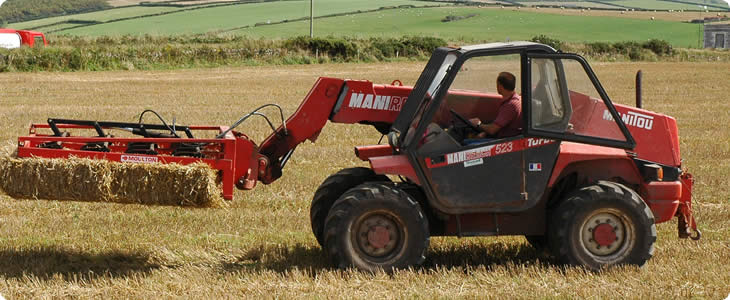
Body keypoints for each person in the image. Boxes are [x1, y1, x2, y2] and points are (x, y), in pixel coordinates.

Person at [468, 72, 522, 139]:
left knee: (464, 143)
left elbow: (492, 130)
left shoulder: (510, 105)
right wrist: (485, 132)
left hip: (503, 141)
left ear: (500, 86)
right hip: (502, 136)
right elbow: (499, 125)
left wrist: (478, 124)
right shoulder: (517, 99)